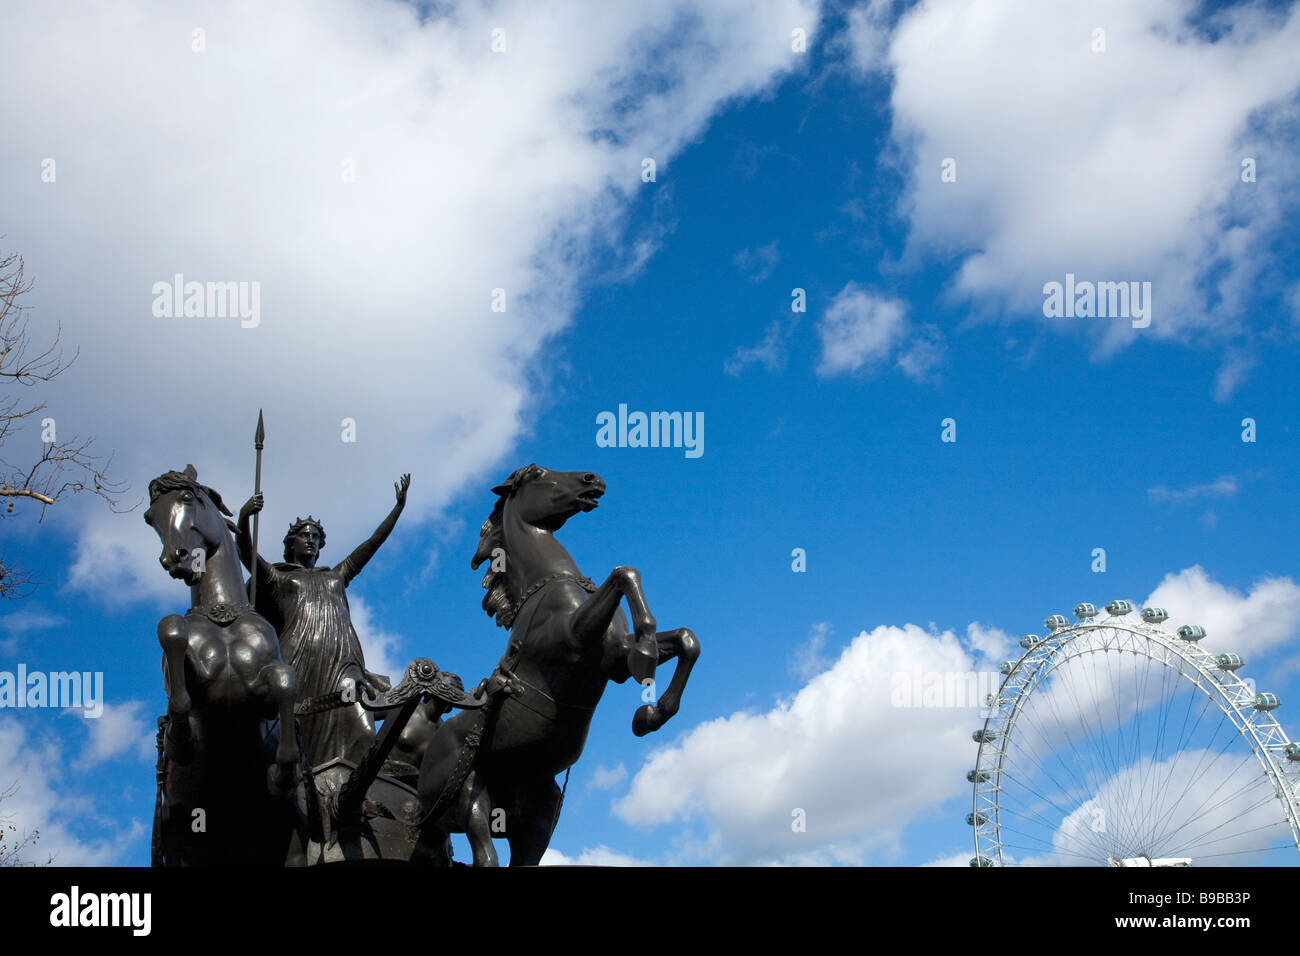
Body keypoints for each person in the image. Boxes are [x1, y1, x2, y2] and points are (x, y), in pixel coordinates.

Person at [236, 475, 410, 767]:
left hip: (342, 661)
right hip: (299, 660)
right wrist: (243, 519)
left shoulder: (337, 575)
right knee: (296, 733)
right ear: (291, 543)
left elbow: (373, 543)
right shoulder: (280, 578)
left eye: (316, 537)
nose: (311, 541)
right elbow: (246, 555)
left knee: (361, 724)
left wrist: (398, 509)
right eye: (305, 535)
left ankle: (361, 788)